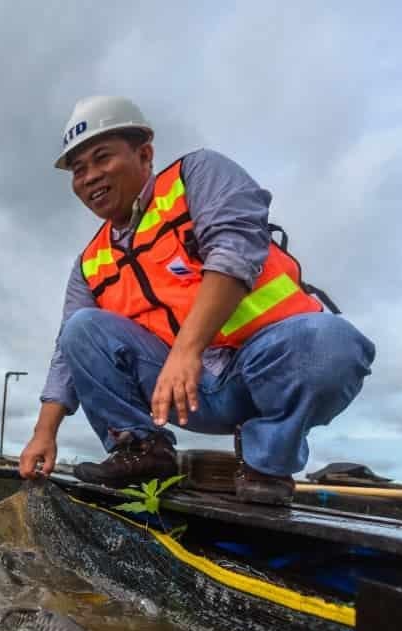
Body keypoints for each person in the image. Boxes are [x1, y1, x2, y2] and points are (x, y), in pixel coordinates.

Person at [19, 96, 375, 505]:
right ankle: (143, 451)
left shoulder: (198, 175)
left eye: (102, 158)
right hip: (182, 392)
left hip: (261, 370)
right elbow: (68, 354)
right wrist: (43, 435)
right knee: (81, 327)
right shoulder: (90, 262)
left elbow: (234, 248)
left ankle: (266, 464)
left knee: (332, 342)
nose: (89, 177)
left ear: (145, 154)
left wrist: (187, 350)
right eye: (79, 170)